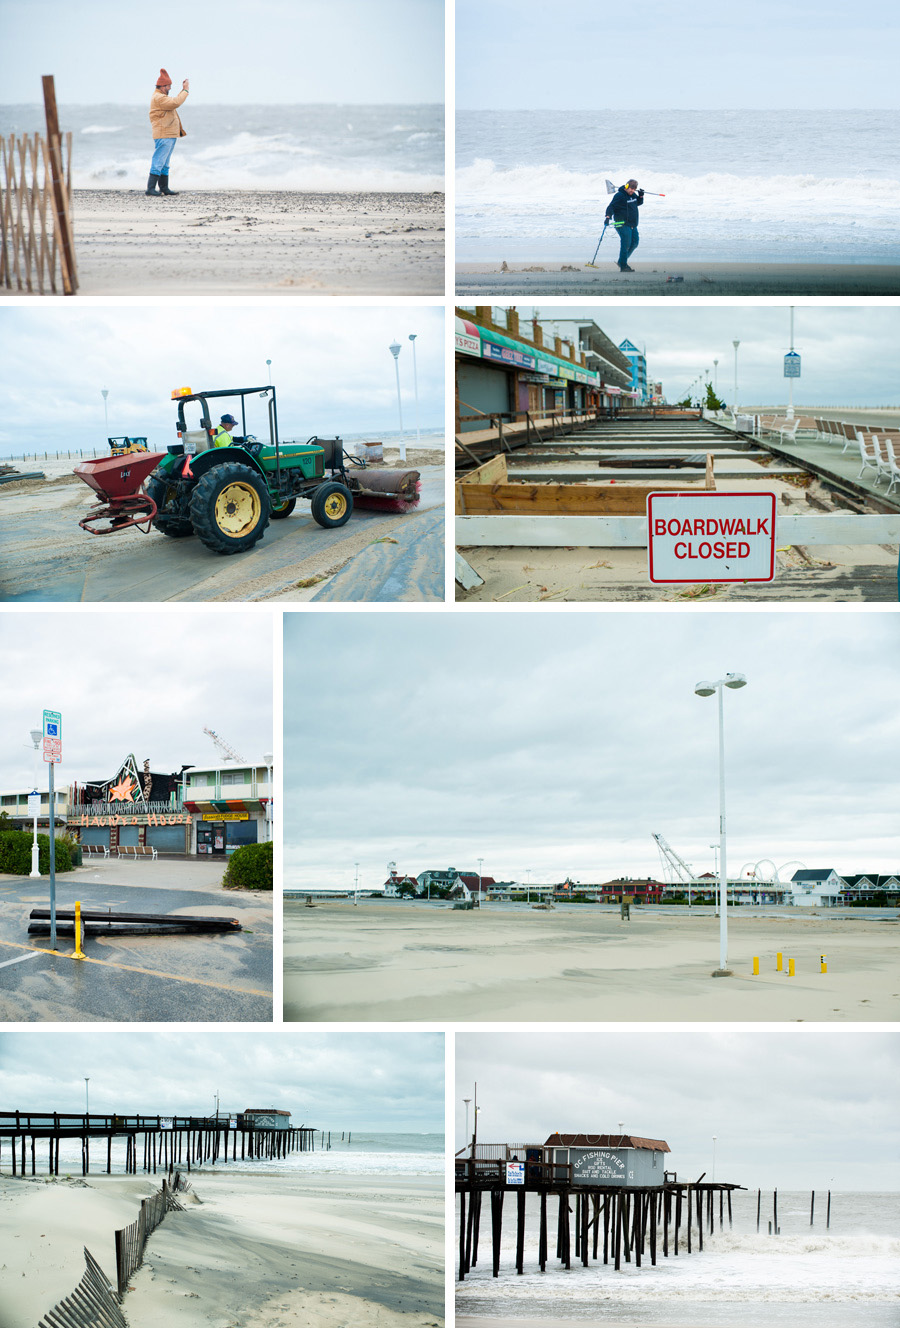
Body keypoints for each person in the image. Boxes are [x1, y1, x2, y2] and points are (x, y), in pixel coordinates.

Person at [147, 68, 189, 197]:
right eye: (169, 86)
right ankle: (150, 188)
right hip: (164, 134)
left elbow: (173, 102)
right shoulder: (159, 98)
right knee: (159, 161)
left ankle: (164, 188)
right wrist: (185, 90)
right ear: (162, 86)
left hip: (169, 134)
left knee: (165, 163)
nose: (170, 88)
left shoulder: (162, 97)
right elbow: (175, 102)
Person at [605, 179, 643, 273]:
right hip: (622, 224)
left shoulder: (633, 195)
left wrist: (641, 196)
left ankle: (621, 261)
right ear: (626, 186)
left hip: (633, 224)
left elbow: (637, 203)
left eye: (634, 189)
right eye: (631, 189)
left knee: (634, 243)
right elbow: (611, 207)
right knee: (626, 244)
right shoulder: (619, 196)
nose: (632, 191)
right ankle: (623, 266)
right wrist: (608, 217)